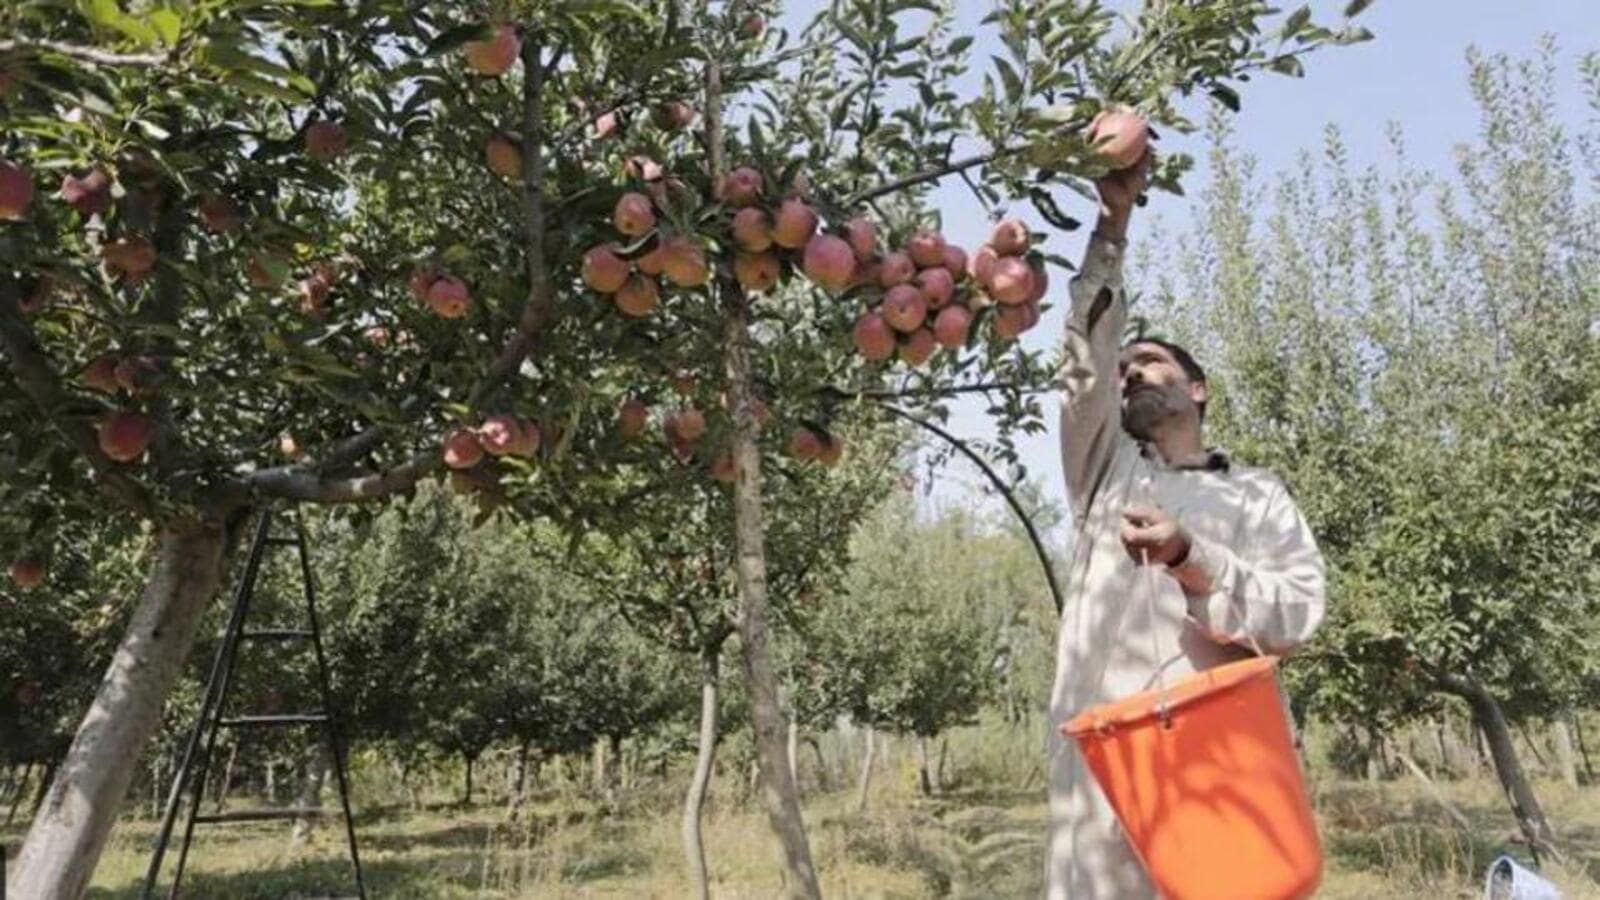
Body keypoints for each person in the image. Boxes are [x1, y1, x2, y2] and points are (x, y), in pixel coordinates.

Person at [1045, 150, 1328, 898]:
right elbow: (1083, 369)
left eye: (1152, 363)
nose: (1132, 373)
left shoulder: (1258, 496)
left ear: (1198, 390)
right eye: (1125, 367)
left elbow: (1296, 616)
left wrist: (1190, 558)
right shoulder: (1106, 471)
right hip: (1105, 775)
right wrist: (1112, 224)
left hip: (1222, 771)